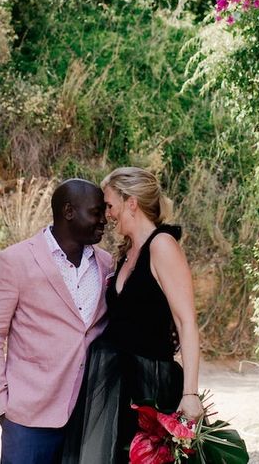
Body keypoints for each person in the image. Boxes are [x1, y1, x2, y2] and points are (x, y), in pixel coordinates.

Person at [63, 166, 204, 464]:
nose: (106, 215)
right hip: (113, 383)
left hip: (147, 384)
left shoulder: (162, 246)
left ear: (132, 203)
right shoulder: (127, 253)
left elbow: (186, 322)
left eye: (110, 205)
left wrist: (190, 393)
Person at [0, 178, 113, 464]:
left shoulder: (106, 263)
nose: (104, 221)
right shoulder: (14, 261)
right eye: (96, 212)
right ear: (69, 211)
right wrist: (1, 405)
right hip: (28, 417)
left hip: (87, 417)